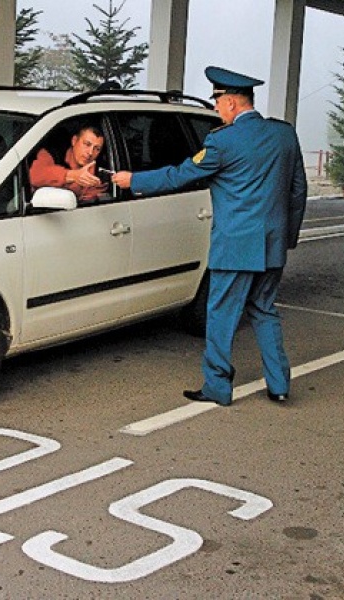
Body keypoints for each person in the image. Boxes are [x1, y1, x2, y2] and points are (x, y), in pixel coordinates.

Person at [112, 66, 307, 407]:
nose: (216, 109)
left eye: (217, 102)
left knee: (220, 315)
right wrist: (286, 238)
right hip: (272, 245)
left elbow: (179, 176)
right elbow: (298, 191)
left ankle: (217, 386)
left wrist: (133, 181)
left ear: (230, 102)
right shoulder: (284, 135)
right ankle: (279, 384)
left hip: (235, 246)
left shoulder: (222, 142)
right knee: (264, 310)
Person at [30, 124, 108, 202]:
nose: (90, 152)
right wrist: (72, 175)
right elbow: (34, 175)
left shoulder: (99, 172)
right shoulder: (53, 154)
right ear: (74, 141)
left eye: (97, 149)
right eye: (87, 144)